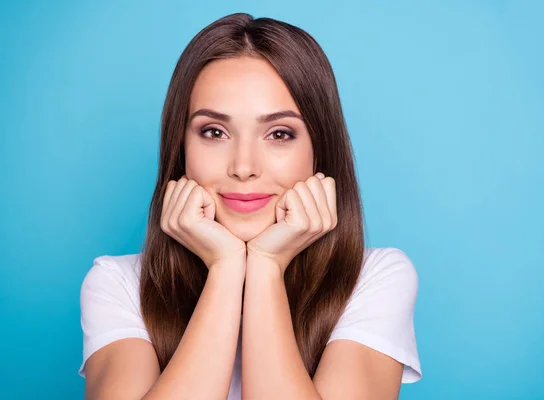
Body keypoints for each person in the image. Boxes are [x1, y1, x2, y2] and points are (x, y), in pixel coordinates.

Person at [78, 12, 422, 400]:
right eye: (214, 132)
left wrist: (266, 266)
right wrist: (225, 269)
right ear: (181, 149)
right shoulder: (118, 284)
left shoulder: (375, 279)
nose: (244, 167)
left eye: (279, 134)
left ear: (319, 151)